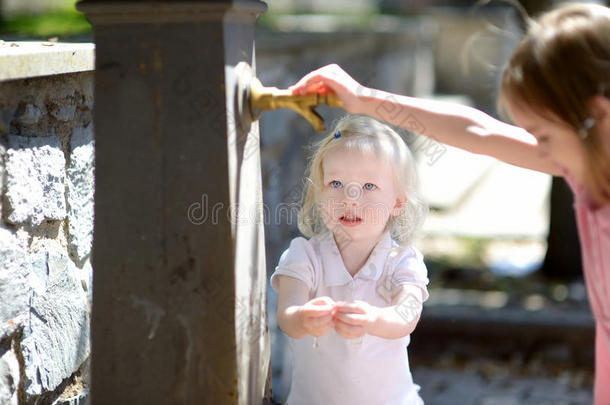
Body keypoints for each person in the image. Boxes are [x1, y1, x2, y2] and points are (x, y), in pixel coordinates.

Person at [289, 2, 610, 404]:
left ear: (596, 118)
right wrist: (365, 99)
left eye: (542, 136)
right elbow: (478, 130)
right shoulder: (584, 169)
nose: (539, 151)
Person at [270, 115, 430, 405]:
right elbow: (287, 316)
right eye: (336, 183)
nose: (350, 198)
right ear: (319, 194)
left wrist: (374, 319)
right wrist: (304, 318)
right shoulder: (304, 255)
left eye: (369, 186)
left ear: (397, 202)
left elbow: (407, 315)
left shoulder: (402, 261)